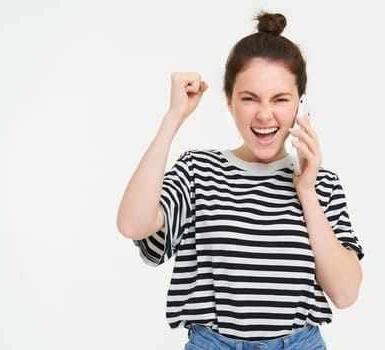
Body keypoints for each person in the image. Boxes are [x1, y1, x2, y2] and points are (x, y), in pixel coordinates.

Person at [117, 11, 364, 350]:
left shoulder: (323, 184)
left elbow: (345, 293)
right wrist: (173, 118)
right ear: (230, 102)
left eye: (280, 99)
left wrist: (306, 191)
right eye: (250, 99)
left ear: (301, 104)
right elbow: (132, 224)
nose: (264, 115)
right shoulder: (197, 171)